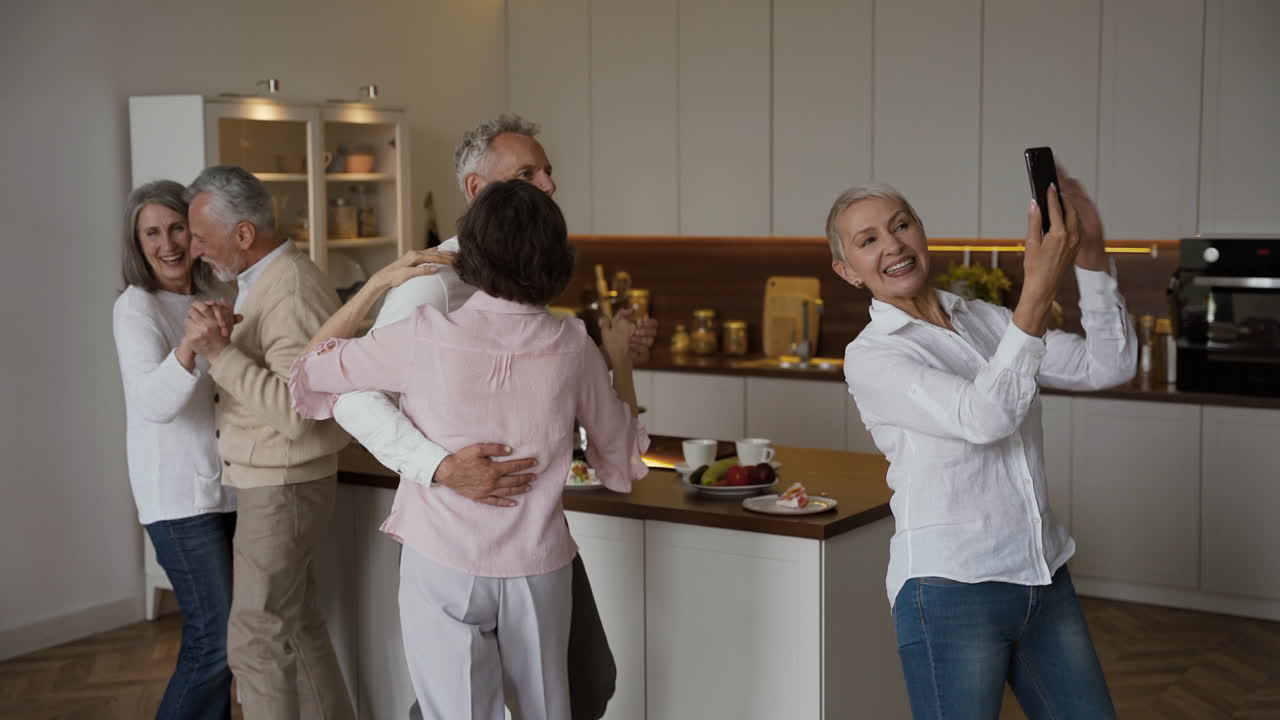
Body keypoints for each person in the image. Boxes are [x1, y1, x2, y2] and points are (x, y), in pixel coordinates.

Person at [330, 113, 654, 720]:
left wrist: (615, 364)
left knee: (583, 682)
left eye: (549, 171)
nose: (550, 184)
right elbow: (349, 392)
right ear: (479, 190)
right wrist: (439, 467)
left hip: (529, 534)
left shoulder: (527, 269)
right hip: (454, 534)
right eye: (530, 173)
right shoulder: (426, 288)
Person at [828, 173, 1135, 719]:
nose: (893, 244)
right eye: (868, 239)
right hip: (951, 591)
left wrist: (1090, 255)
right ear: (848, 271)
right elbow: (985, 416)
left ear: (922, 233)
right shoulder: (872, 356)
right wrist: (1037, 289)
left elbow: (1107, 366)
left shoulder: (984, 320)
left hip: (1043, 576)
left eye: (901, 225)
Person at [182, 166, 354, 720]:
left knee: (255, 641)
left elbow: (296, 411)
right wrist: (228, 341)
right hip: (281, 482)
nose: (195, 251)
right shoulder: (264, 284)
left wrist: (220, 353)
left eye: (202, 239)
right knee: (296, 627)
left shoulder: (292, 288)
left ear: (243, 235)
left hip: (283, 485)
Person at [112, 179, 237, 720]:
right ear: (138, 245)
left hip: (232, 488)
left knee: (233, 637)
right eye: (152, 234)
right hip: (178, 500)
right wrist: (191, 343)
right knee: (216, 640)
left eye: (177, 228)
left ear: (195, 230)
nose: (168, 244)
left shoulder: (219, 293)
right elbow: (153, 404)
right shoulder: (135, 307)